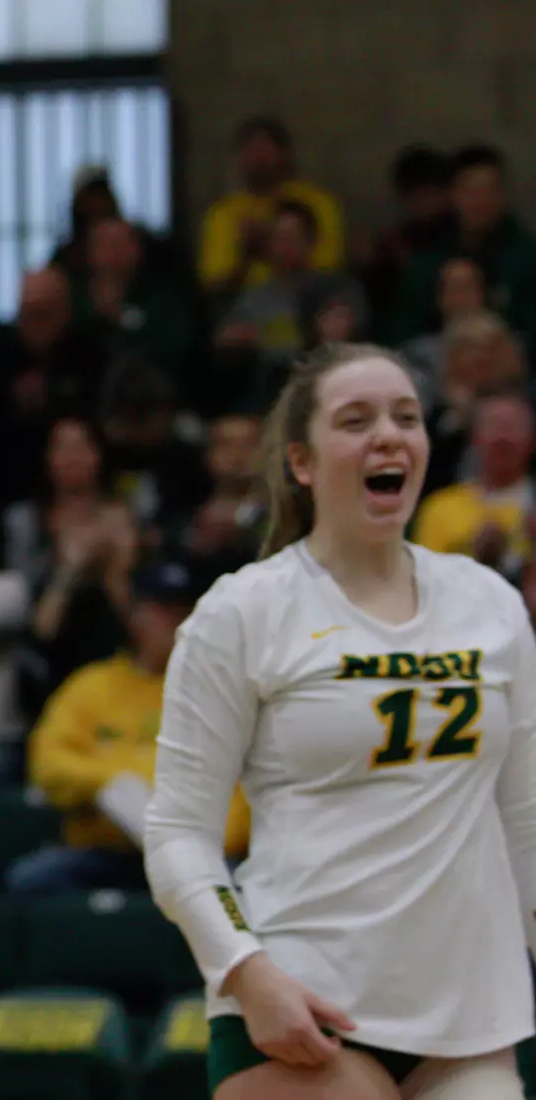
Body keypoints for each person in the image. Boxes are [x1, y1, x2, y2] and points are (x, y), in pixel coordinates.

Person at [144, 344, 536, 1100]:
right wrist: (246, 974)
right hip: (302, 999)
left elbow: (526, 821)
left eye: (407, 418)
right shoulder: (244, 610)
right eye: (356, 421)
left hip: (470, 1017)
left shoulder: (487, 602)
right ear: (301, 462)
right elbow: (177, 834)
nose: (388, 436)